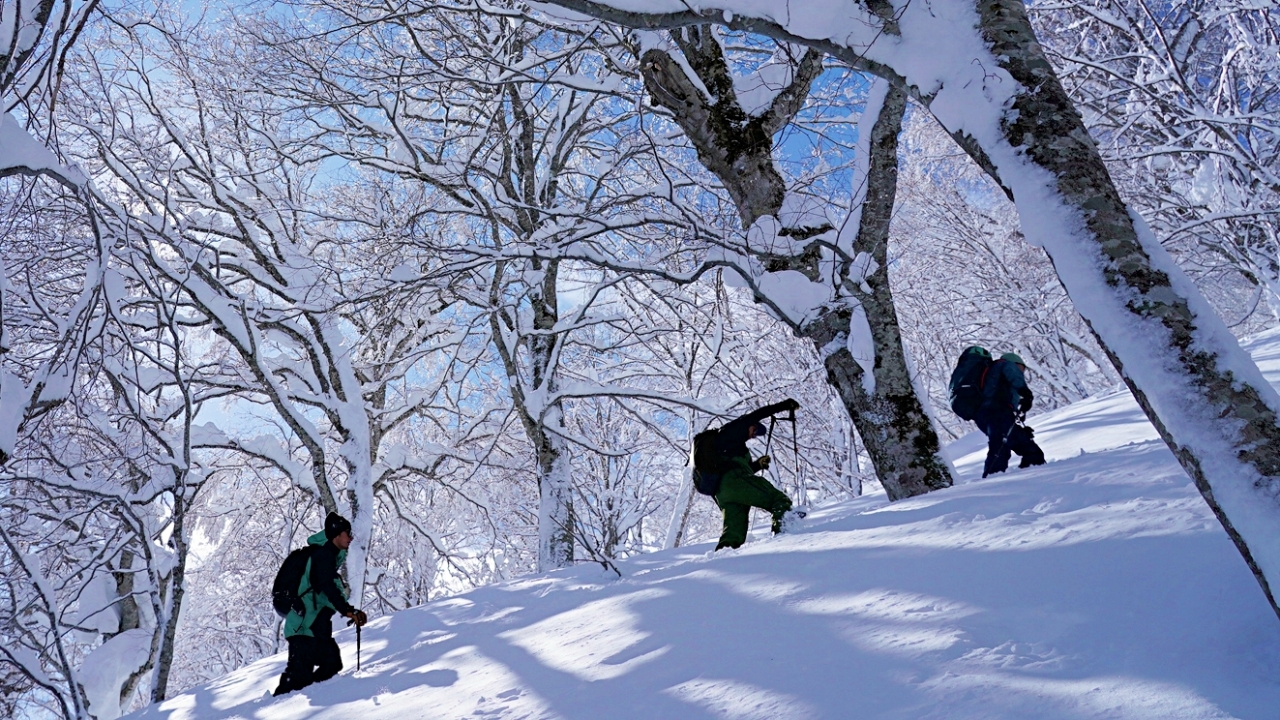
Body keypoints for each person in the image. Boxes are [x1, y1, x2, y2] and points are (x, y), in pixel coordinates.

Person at [274, 512, 368, 696]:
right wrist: (348, 611)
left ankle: (306, 699)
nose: (351, 537)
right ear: (336, 534)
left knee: (331, 664)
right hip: (302, 626)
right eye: (347, 533)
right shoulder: (322, 556)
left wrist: (349, 611)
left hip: (314, 626)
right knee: (298, 677)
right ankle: (275, 708)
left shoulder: (327, 557)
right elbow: (328, 588)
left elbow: (324, 592)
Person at [713, 398, 802, 551]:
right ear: (750, 425)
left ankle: (722, 557)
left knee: (733, 532)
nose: (754, 435)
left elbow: (738, 469)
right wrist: (783, 405)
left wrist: (757, 465)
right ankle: (785, 534)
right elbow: (758, 414)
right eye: (755, 430)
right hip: (734, 481)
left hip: (722, 492)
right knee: (778, 499)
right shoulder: (734, 429)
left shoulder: (728, 445)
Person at [975, 352, 1046, 478]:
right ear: (1016, 364)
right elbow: (1015, 379)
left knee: (1030, 449)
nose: (1021, 373)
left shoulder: (995, 375)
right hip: (996, 414)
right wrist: (1026, 393)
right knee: (1000, 447)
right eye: (1021, 369)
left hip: (992, 415)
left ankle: (1032, 479)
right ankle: (991, 482)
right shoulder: (1006, 364)